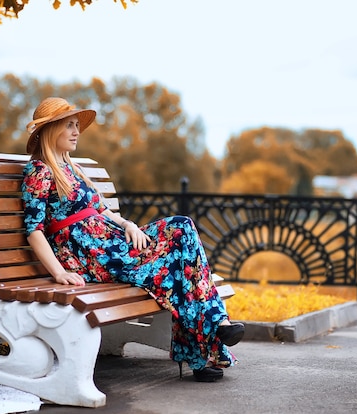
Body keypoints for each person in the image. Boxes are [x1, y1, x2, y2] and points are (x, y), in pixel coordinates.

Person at [21, 97, 244, 382]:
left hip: (110, 240)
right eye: (69, 126)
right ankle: (211, 339)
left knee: (183, 228)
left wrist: (129, 225)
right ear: (51, 130)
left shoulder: (72, 169)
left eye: (77, 125)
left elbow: (102, 211)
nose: (76, 131)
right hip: (88, 252)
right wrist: (59, 272)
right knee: (177, 265)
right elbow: (34, 229)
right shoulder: (39, 171)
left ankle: (211, 339)